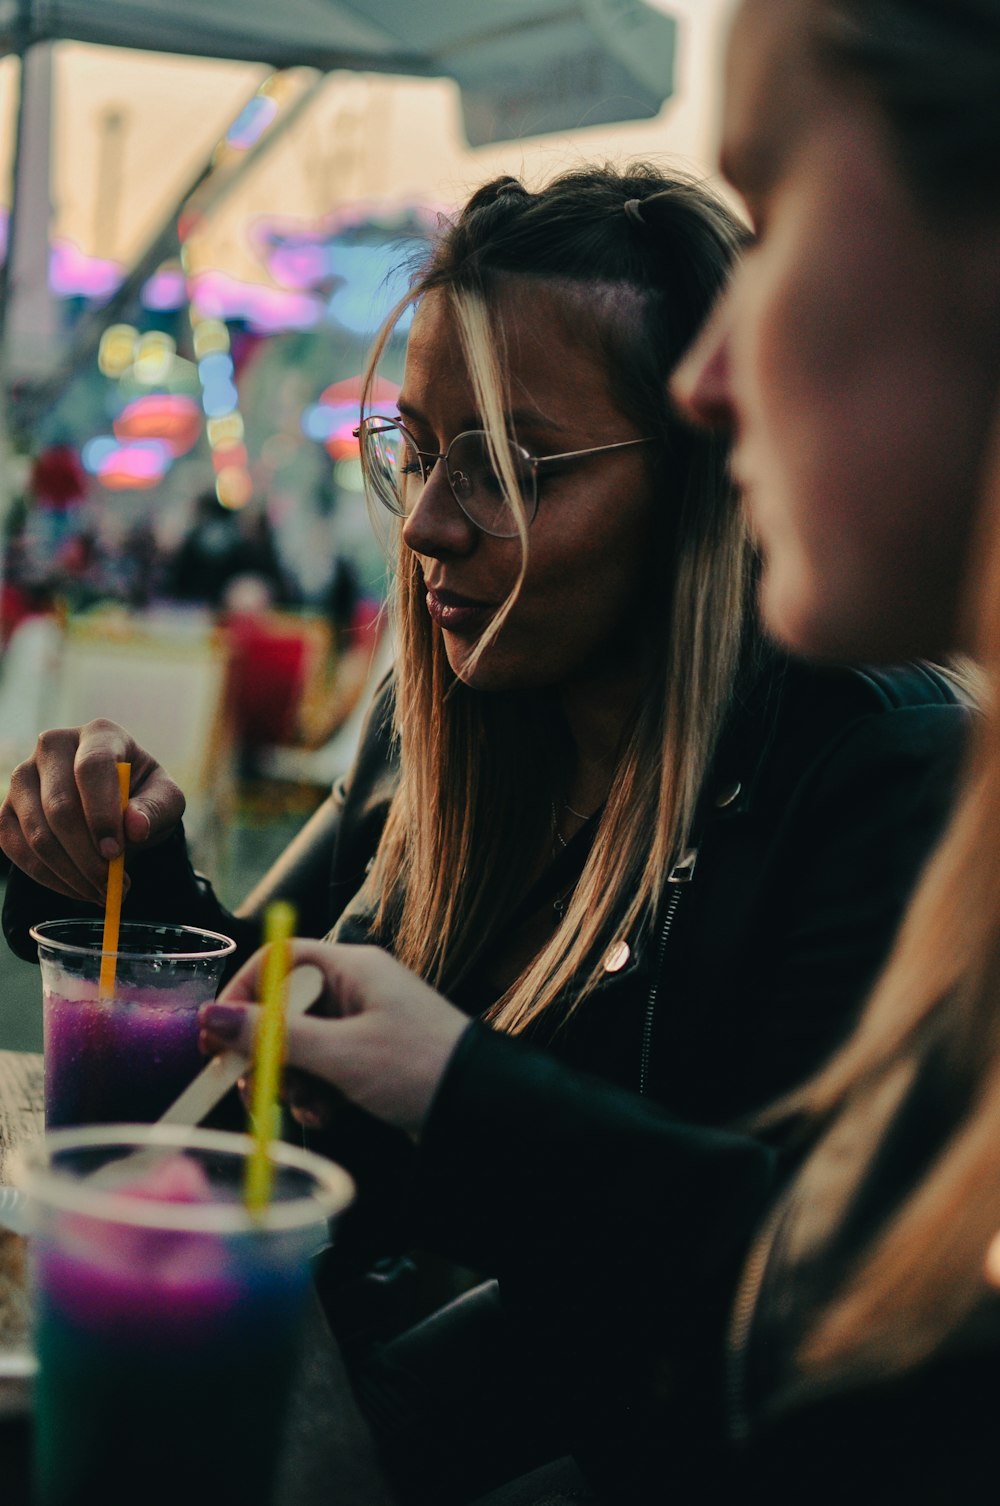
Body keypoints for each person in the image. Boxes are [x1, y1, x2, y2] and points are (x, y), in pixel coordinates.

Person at [0, 160, 969, 1499]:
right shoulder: (445, 718)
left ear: (703, 478)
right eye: (415, 447)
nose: (431, 527)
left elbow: (832, 1290)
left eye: (511, 464)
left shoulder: (870, 771)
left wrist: (457, 1092)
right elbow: (258, 1025)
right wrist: (128, 878)